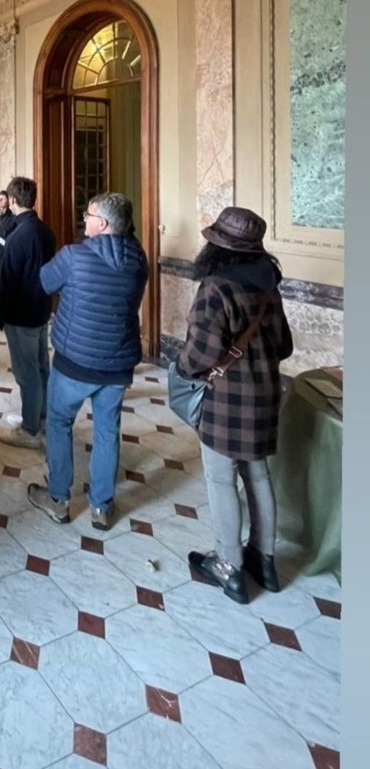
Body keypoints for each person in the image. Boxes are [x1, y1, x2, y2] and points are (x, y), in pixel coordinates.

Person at [175, 207, 293, 604]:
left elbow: (200, 354)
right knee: (258, 475)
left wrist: (182, 368)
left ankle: (229, 565)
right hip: (266, 394)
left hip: (227, 400)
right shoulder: (268, 285)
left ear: (217, 247)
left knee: (221, 480)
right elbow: (284, 345)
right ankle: (264, 560)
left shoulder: (216, 287)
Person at [27, 192, 148, 532]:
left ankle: (58, 499)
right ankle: (101, 506)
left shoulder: (73, 256)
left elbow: (44, 282)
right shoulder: (138, 258)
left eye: (89, 215)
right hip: (118, 363)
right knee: (107, 431)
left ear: (103, 223)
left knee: (59, 423)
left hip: (75, 361)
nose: (84, 219)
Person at [0, 176, 56, 450]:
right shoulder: (45, 231)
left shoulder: (18, 236)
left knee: (27, 372)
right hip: (41, 311)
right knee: (41, 368)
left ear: (13, 200)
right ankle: (41, 417)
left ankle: (30, 430)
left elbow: (8, 283)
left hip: (21, 315)